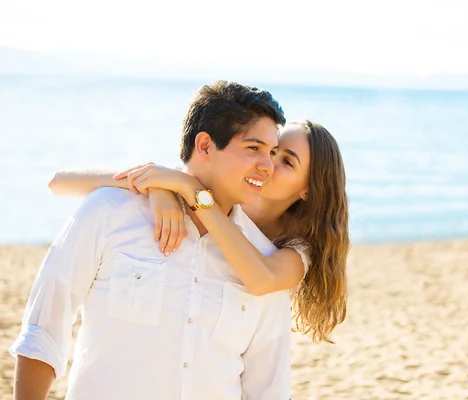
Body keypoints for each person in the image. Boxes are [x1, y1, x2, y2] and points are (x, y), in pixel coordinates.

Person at [10, 80, 293, 400]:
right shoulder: (108, 213)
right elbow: (44, 330)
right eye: (253, 148)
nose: (267, 166)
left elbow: (267, 389)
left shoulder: (261, 261)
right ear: (205, 146)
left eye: (272, 152)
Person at [49, 119, 350, 343]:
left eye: (286, 161)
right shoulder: (227, 189)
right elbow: (60, 182)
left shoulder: (298, 246)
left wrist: (190, 190)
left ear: (308, 190)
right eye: (271, 149)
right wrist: (156, 187)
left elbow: (263, 278)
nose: (267, 163)